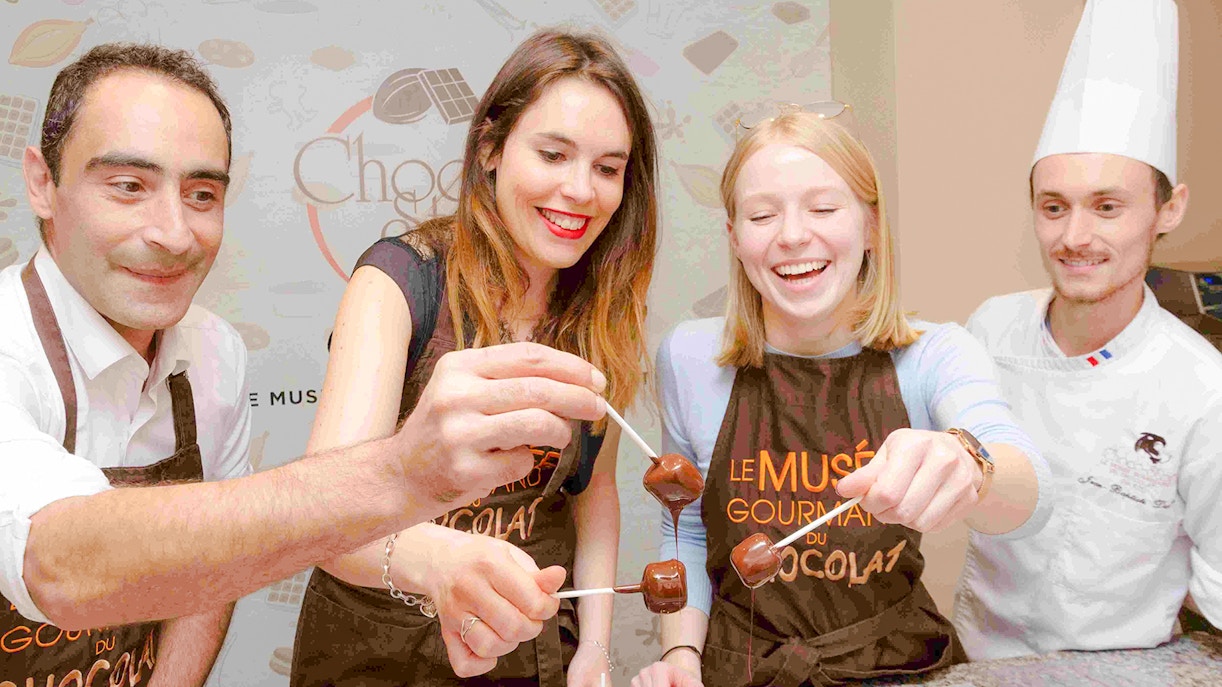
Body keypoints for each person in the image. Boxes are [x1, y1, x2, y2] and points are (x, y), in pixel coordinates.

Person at [1, 43, 607, 686]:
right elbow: (57, 562)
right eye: (128, 187)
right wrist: (398, 476)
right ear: (43, 182)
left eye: (202, 193)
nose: (173, 232)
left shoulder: (212, 352)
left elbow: (210, 575)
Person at [289, 29, 658, 687]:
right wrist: (446, 562)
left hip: (530, 657)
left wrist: (594, 648)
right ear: (490, 147)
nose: (581, 190)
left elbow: (593, 492)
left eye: (607, 167)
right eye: (553, 154)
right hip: (380, 656)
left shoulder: (601, 307)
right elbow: (327, 516)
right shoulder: (400, 281)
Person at [630, 110, 1050, 687]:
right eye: (761, 215)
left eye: (824, 208)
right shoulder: (690, 358)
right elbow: (687, 527)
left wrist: (971, 464)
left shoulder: (936, 355)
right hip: (739, 669)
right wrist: (680, 655)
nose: (793, 235)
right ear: (734, 238)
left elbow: (1029, 497)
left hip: (897, 668)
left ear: (872, 226)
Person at [954, 0, 1221, 659]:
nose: (1075, 237)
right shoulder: (990, 328)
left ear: (1168, 209)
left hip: (1125, 670)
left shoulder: (1203, 391)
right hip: (975, 661)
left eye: (1108, 206)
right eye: (1054, 207)